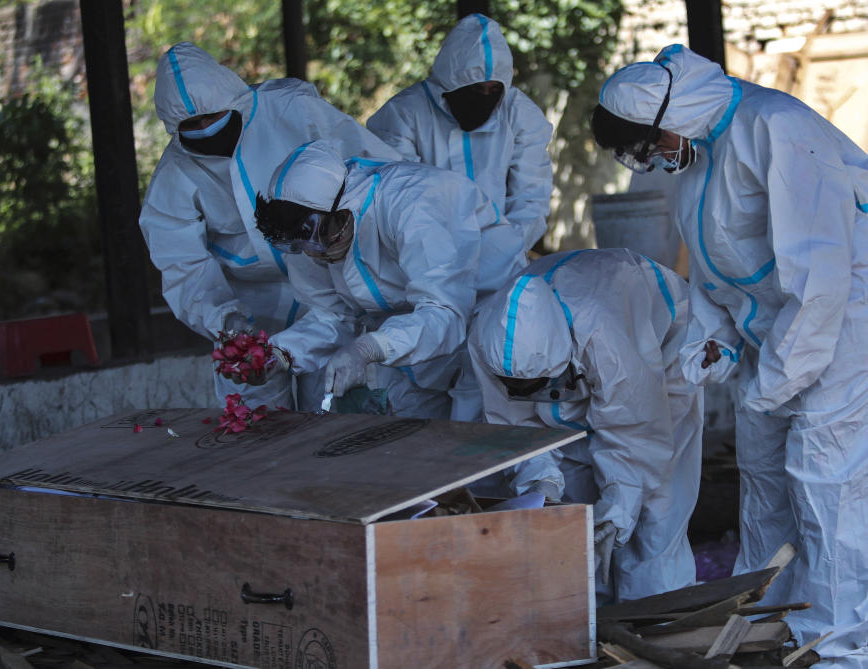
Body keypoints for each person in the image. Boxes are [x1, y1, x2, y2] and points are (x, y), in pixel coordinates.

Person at [593, 44, 868, 666]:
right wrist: (711, 336)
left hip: (844, 326)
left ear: (670, 118)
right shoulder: (695, 152)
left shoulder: (777, 126)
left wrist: (774, 379)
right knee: (766, 482)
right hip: (776, 337)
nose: (656, 162)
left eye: (650, 147)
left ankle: (845, 645)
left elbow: (820, 277)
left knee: (829, 487)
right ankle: (776, 627)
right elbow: (716, 269)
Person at [139, 41, 398, 410]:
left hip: (329, 289)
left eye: (213, 116)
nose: (205, 129)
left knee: (333, 413)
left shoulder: (292, 110)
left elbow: (372, 169)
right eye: (192, 125)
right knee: (257, 427)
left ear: (233, 101)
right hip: (249, 310)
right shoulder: (173, 175)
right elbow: (183, 264)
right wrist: (226, 320)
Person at [468, 248, 703, 603]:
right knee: (575, 510)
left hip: (663, 348)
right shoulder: (488, 341)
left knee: (655, 508)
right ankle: (592, 620)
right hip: (587, 362)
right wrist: (542, 485)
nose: (528, 396)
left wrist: (617, 514)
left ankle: (659, 615)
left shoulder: (603, 335)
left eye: (537, 387)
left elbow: (636, 436)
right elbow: (513, 429)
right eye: (518, 390)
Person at [366, 14, 554, 421]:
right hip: (423, 274)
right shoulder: (403, 115)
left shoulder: (520, 114)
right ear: (448, 85)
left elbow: (532, 199)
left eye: (493, 90)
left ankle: (489, 482)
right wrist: (440, 263)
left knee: (490, 387)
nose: (485, 97)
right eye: (474, 90)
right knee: (417, 390)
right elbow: (392, 199)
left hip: (499, 274)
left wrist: (501, 249)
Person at [248, 139, 502, 418]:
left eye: (315, 234)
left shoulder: (412, 204)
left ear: (343, 207)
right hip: (406, 345)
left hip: (483, 323)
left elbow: (445, 312)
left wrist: (370, 347)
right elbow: (334, 315)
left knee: (475, 436)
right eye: (296, 245)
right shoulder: (311, 243)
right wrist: (281, 354)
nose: (312, 253)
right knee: (412, 443)